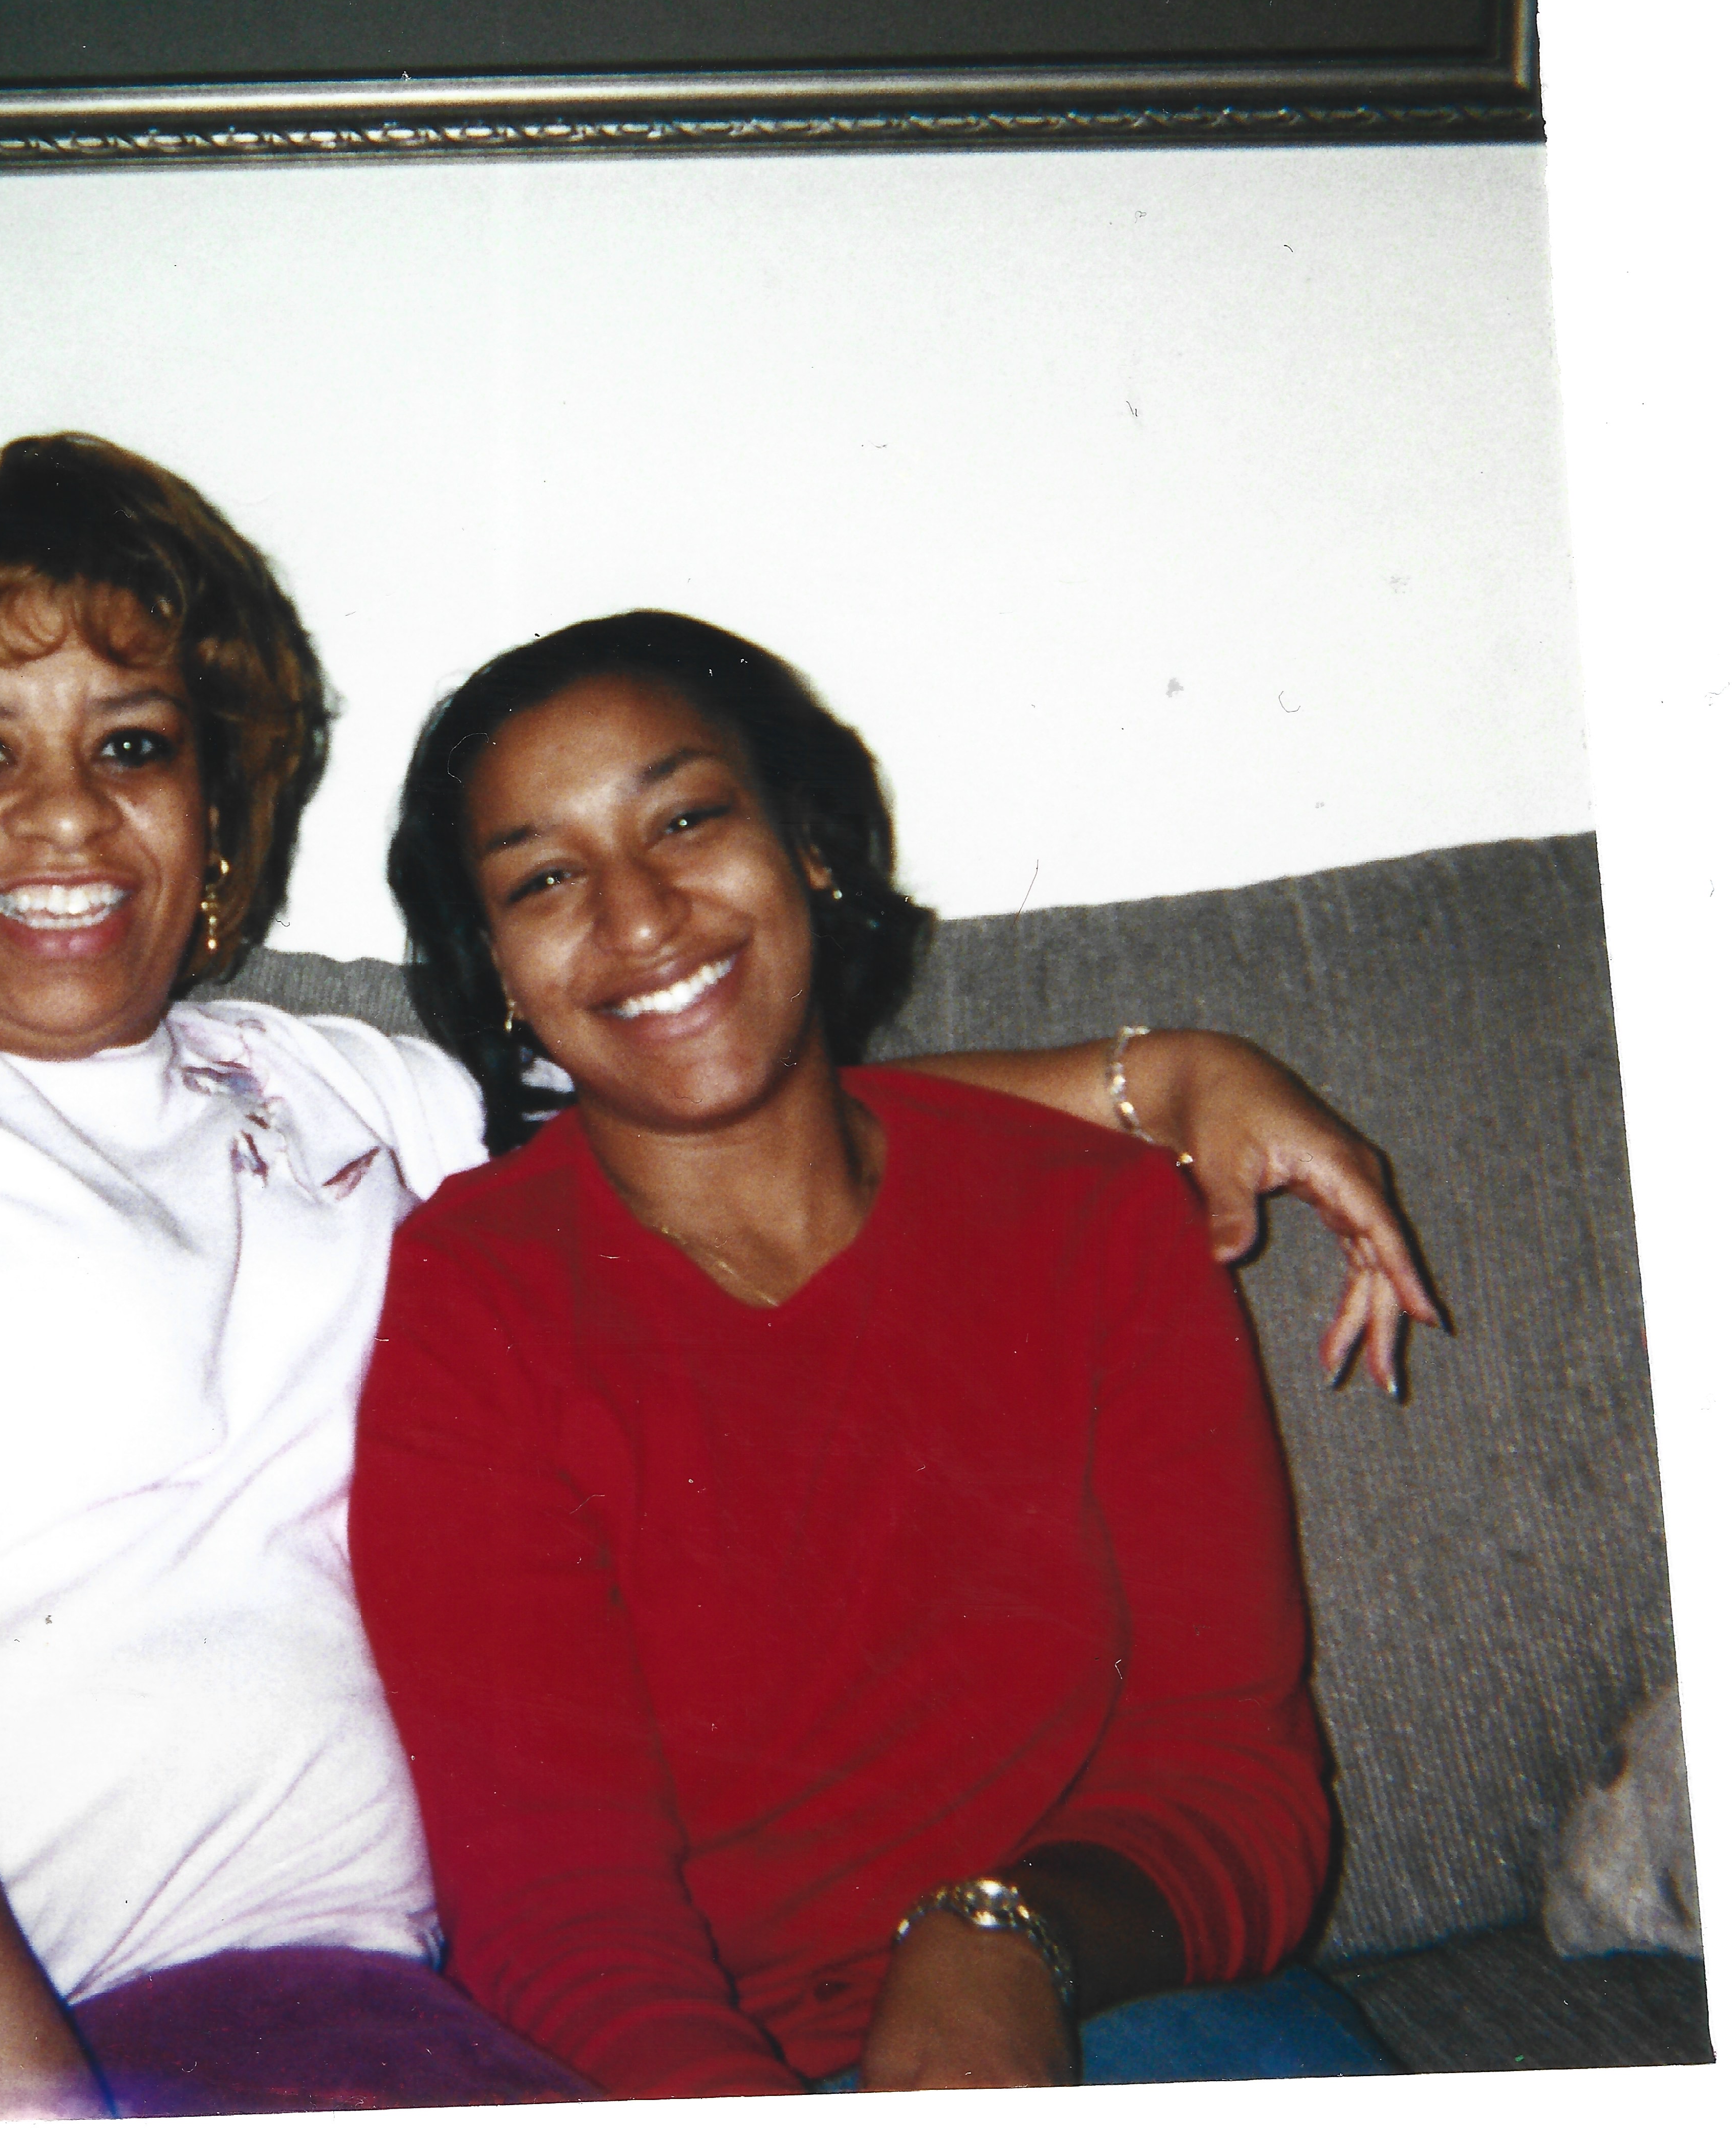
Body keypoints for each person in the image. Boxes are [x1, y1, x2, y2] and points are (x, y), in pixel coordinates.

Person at [0, 445, 1432, 2129]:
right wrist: (26, 2107)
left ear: (221, 814)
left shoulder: (365, 1103)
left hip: (254, 1992)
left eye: (133, 747)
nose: (66, 820)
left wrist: (1150, 1078)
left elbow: (700, 1088)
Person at [351, 610, 1408, 2100]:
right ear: (497, 969)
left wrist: (998, 1944)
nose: (640, 916)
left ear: (812, 846)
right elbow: (551, 1905)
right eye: (544, 878)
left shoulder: (1098, 1218)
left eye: (687, 820)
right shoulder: (477, 1302)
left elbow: (1236, 1780)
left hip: (1119, 1994)